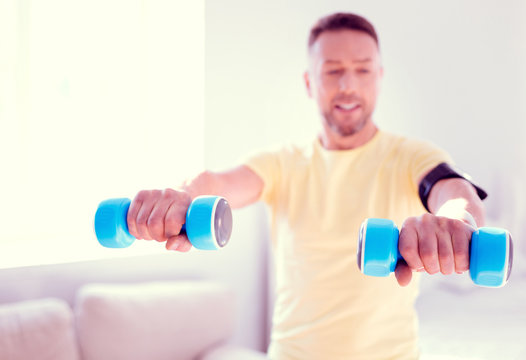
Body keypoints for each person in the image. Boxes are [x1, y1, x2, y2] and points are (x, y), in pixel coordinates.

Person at [126, 12, 487, 360]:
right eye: (333, 71)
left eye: (362, 70)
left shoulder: (411, 156)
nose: (348, 85)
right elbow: (220, 184)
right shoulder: (281, 162)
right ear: (309, 82)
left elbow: (452, 191)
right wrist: (185, 198)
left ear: (379, 77)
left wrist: (456, 221)